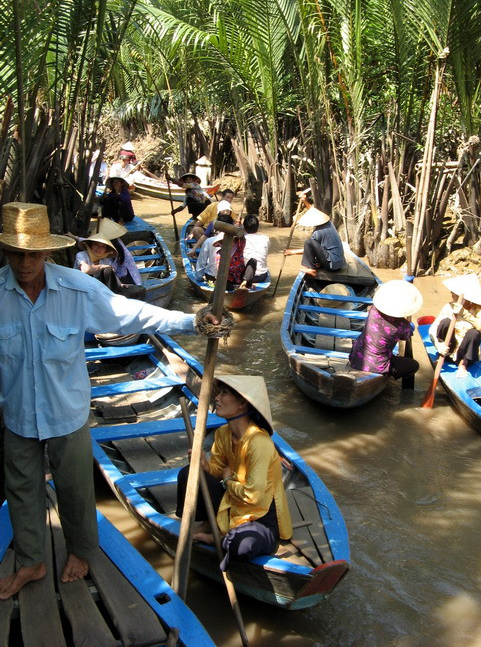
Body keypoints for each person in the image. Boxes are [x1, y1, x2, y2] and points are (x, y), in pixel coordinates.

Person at [0, 202, 221, 599]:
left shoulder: (76, 288)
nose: (24, 262)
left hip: (66, 414)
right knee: (20, 490)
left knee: (75, 488)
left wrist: (192, 321)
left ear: (47, 252)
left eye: (32, 254)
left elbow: (132, 314)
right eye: (16, 254)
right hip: (17, 414)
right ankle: (31, 561)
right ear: (6, 253)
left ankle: (82, 551)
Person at [176, 375, 292, 570]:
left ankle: (216, 539)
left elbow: (253, 496)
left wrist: (227, 480)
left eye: (224, 393)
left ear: (242, 403)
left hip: (259, 516)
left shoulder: (259, 443)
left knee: (243, 546)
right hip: (231, 504)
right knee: (189, 473)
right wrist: (204, 465)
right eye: (218, 393)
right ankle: (209, 523)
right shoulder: (223, 434)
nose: (217, 398)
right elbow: (216, 470)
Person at [349, 280, 423, 380]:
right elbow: (406, 337)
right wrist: (410, 327)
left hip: (355, 356)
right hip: (376, 365)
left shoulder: (374, 310)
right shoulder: (403, 325)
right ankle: (389, 376)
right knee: (414, 365)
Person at [428, 274, 481, 377]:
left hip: (465, 351)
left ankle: (463, 364)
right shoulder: (449, 306)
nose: (451, 293)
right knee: (445, 322)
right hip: (449, 348)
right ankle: (442, 356)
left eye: (454, 292)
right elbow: (433, 328)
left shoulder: (478, 309)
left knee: (474, 333)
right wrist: (438, 345)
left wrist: (465, 314)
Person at [74, 218, 143, 294]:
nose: (99, 249)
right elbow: (85, 269)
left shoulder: (105, 259)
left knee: (108, 270)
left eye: (102, 247)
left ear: (105, 250)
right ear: (90, 246)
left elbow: (112, 274)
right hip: (81, 288)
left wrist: (120, 284)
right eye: (96, 245)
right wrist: (102, 267)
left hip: (98, 288)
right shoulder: (82, 255)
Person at [284, 198, 345, 276]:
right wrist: (304, 200)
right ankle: (317, 264)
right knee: (315, 246)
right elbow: (312, 210)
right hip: (339, 263)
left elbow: (309, 248)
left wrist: (292, 252)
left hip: (332, 265)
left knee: (308, 242)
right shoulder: (329, 223)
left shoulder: (317, 233)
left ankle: (311, 269)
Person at [239, 214, 270, 289]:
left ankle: (244, 282)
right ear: (258, 226)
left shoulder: (240, 239)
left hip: (243, 276)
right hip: (261, 275)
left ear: (245, 227)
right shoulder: (265, 238)